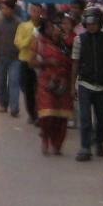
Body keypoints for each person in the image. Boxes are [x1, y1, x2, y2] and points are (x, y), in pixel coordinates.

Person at [72, 8, 103, 161]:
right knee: (85, 118)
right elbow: (75, 63)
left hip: (102, 86)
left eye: (94, 23)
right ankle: (85, 147)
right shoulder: (79, 40)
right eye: (89, 23)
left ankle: (99, 143)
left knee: (101, 119)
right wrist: (72, 85)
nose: (91, 26)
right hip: (84, 84)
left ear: (99, 23)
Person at [34, 16, 74, 155]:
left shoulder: (68, 42)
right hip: (47, 82)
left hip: (64, 82)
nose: (54, 30)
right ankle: (45, 138)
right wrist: (47, 62)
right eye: (50, 28)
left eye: (56, 27)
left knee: (61, 117)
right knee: (47, 114)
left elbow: (75, 63)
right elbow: (31, 62)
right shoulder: (40, 43)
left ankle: (57, 144)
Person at [0, 0, 23, 116]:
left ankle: (14, 108)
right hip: (2, 57)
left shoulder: (19, 23)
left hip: (15, 58)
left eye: (5, 8)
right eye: (2, 8)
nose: (3, 11)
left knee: (14, 82)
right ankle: (3, 104)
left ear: (11, 9)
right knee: (1, 82)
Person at [13, 2, 42, 125]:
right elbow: (18, 43)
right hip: (25, 61)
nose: (36, 14)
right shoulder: (23, 26)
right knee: (27, 89)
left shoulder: (44, 27)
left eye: (38, 11)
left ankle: (39, 114)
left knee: (40, 90)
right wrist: (30, 37)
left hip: (40, 63)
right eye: (34, 11)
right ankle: (32, 114)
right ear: (30, 12)